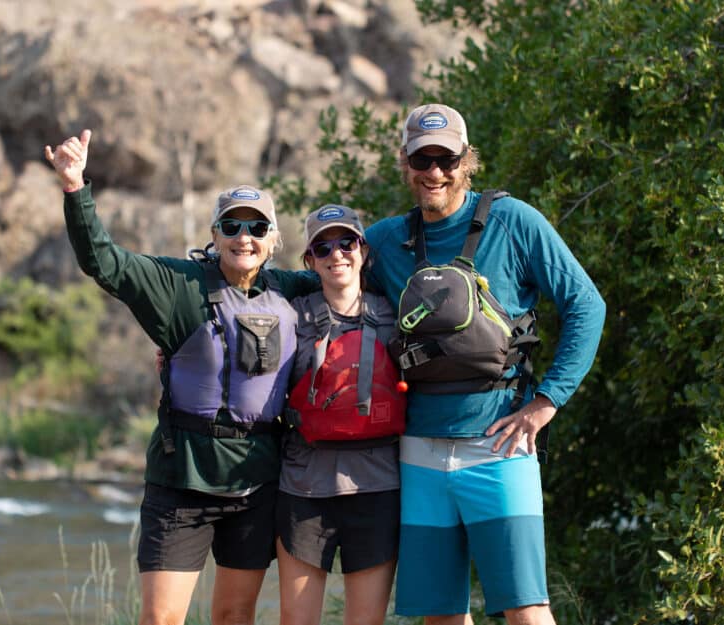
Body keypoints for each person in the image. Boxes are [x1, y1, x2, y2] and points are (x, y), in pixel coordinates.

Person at [45, 129, 317, 625]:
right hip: (183, 478)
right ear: (214, 235)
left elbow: (352, 280)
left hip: (257, 482)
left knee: (234, 615)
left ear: (275, 240)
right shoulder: (179, 286)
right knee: (161, 620)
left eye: (257, 228)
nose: (244, 238)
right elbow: (104, 261)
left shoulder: (296, 292)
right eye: (232, 226)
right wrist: (74, 187)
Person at [363, 104, 606, 625]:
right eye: (421, 160)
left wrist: (546, 403)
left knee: (526, 608)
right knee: (440, 614)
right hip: (420, 453)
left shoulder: (514, 222)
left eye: (446, 159)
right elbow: (322, 291)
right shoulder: (385, 240)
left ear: (467, 160)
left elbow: (586, 304)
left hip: (500, 448)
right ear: (404, 164)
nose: (434, 173)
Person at [277, 205, 405, 625]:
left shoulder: (395, 315)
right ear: (310, 260)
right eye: (323, 247)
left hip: (377, 487)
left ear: (363, 251)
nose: (337, 254)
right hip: (304, 489)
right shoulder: (290, 316)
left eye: (347, 242)